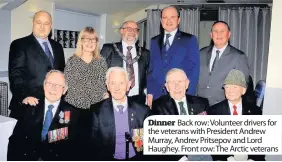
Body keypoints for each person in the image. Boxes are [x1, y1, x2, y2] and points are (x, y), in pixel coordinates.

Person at [7, 70, 80, 161]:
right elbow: (15, 140)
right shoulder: (30, 107)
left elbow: (73, 147)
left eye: (58, 85)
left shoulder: (73, 113)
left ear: (64, 90)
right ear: (44, 85)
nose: (53, 88)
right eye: (50, 83)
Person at [8, 11, 65, 120]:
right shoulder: (19, 44)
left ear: (51, 26)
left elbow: (61, 73)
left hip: (53, 106)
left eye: (46, 23)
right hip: (28, 106)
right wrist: (23, 96)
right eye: (39, 22)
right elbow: (16, 75)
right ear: (33, 23)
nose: (42, 27)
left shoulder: (58, 47)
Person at [87, 67, 150, 161]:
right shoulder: (97, 111)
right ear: (107, 86)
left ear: (128, 85)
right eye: (113, 83)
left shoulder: (143, 111)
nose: (117, 88)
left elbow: (148, 145)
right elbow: (93, 144)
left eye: (121, 83)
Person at [152, 68, 212, 161]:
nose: (177, 86)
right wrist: (181, 158)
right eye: (172, 83)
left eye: (180, 81)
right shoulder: (159, 106)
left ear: (187, 84)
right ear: (167, 87)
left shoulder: (201, 103)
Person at [147, 6, 200, 107]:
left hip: (180, 94)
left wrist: (188, 96)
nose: (168, 20)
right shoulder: (154, 41)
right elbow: (151, 69)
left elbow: (194, 70)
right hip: (157, 96)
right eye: (165, 17)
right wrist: (150, 92)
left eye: (172, 17)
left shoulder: (189, 39)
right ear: (161, 20)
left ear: (178, 20)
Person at [208, 69, 264, 161]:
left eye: (234, 87)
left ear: (243, 90)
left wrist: (252, 159)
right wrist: (228, 158)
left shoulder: (255, 111)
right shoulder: (214, 111)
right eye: (227, 87)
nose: (230, 91)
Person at [197, 21, 249, 106]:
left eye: (222, 31)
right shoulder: (201, 53)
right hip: (200, 105)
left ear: (229, 34)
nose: (219, 34)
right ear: (211, 35)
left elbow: (242, 86)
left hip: (223, 107)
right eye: (215, 31)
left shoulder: (239, 57)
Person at [100, 20, 150, 104]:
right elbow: (99, 74)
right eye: (129, 29)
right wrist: (103, 93)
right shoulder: (109, 49)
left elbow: (149, 76)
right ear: (121, 31)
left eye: (135, 30)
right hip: (114, 98)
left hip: (138, 100)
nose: (132, 32)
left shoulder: (145, 53)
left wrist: (148, 93)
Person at [64, 27, 108, 109]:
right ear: (81, 41)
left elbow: (104, 84)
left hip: (97, 106)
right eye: (87, 39)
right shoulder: (71, 61)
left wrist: (106, 95)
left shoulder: (102, 61)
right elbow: (66, 83)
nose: (90, 42)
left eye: (93, 39)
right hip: (75, 106)